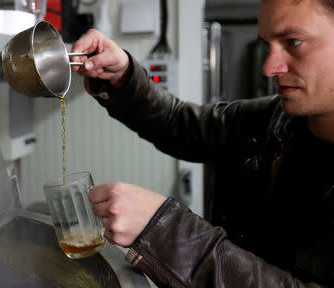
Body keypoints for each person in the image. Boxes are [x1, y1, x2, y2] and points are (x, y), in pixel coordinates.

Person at [71, 0, 333, 287]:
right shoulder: (277, 118)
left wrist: (167, 231)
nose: (269, 67)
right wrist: (124, 78)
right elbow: (182, 125)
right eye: (267, 45)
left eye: (294, 41)